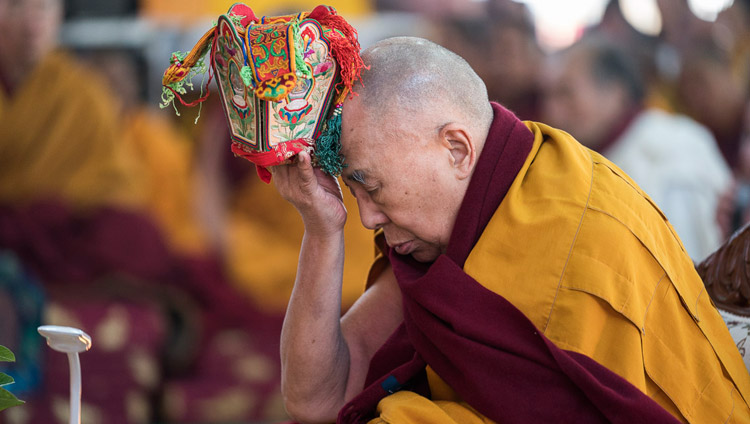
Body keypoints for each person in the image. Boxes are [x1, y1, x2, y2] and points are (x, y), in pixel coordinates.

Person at [270, 37, 750, 423]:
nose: (368, 217)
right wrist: (322, 230)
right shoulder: (447, 230)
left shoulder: (579, 232)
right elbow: (315, 401)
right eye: (355, 193)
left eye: (371, 187)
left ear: (456, 150)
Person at [542, 39, 731, 261]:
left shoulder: (677, 145)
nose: (552, 112)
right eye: (548, 96)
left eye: (566, 93)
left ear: (615, 92)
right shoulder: (574, 164)